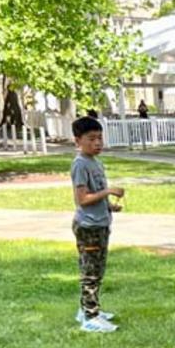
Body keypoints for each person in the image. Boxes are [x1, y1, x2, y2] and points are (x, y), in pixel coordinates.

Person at [70, 116, 123, 333]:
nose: (97, 143)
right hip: (89, 227)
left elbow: (96, 195)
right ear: (78, 141)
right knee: (90, 273)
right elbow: (82, 199)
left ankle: (89, 309)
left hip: (100, 224)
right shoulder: (80, 164)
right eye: (91, 139)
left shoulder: (95, 162)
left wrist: (109, 206)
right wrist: (108, 191)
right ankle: (90, 318)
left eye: (100, 138)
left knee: (98, 270)